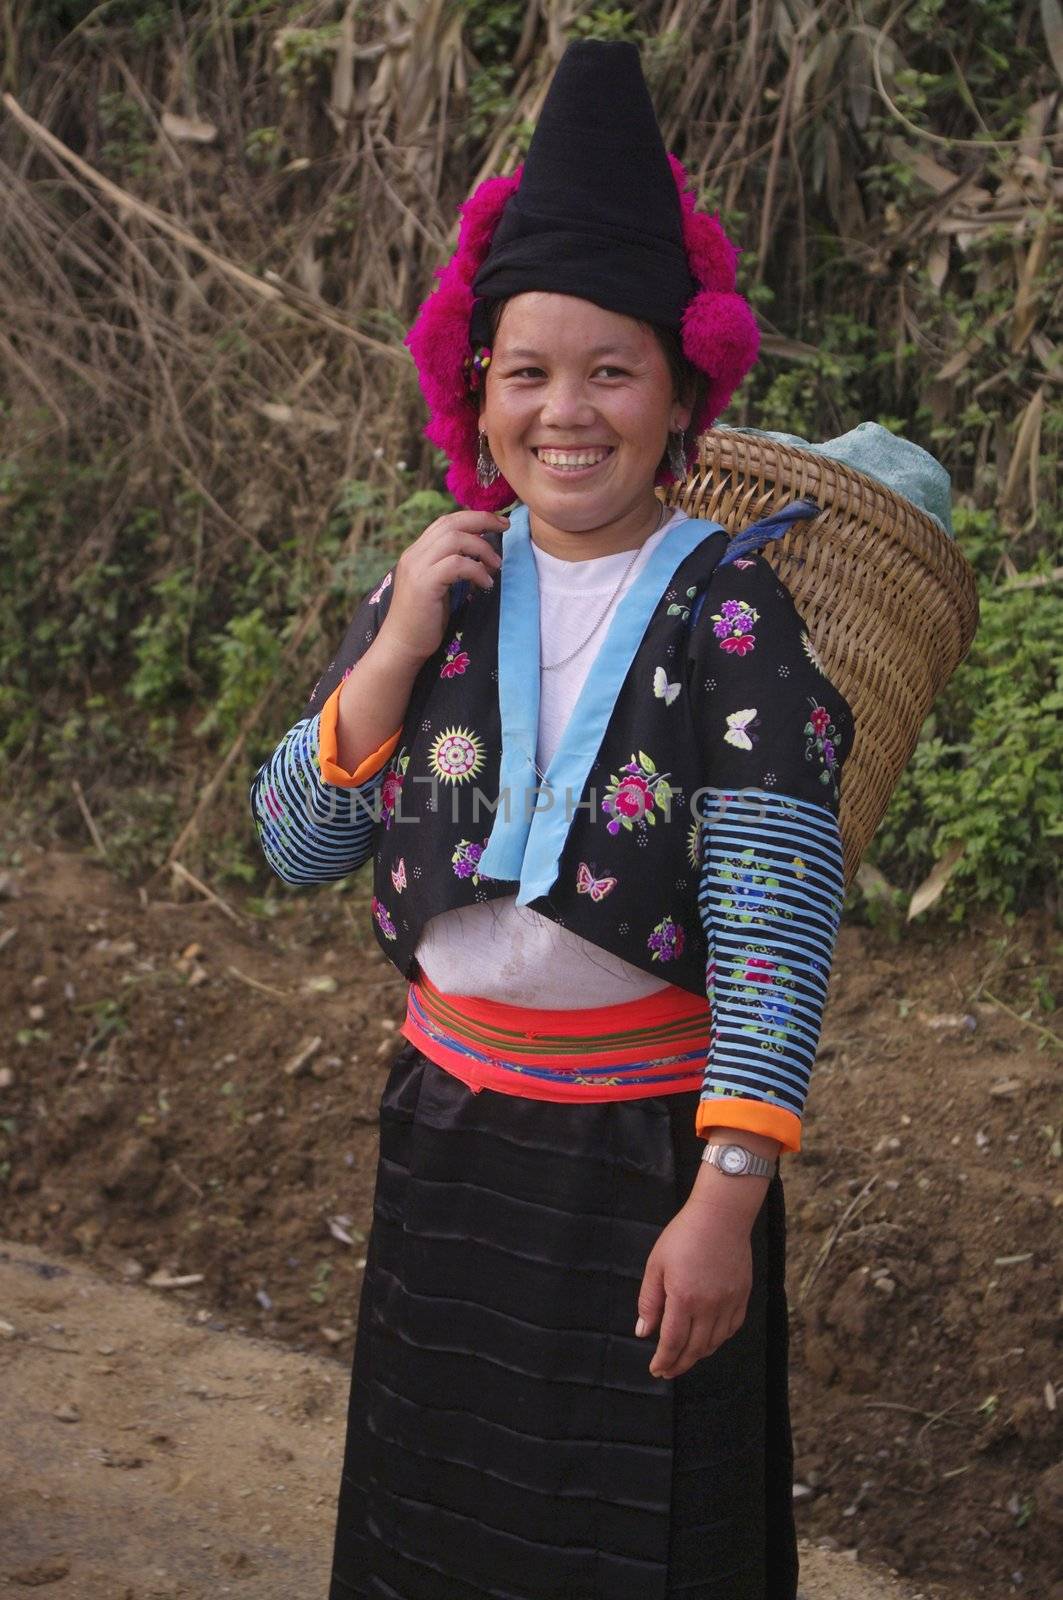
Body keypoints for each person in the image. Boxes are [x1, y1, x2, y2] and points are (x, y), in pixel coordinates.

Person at [251, 39, 853, 1600]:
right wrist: (387, 656)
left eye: (612, 370)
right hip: (448, 1137)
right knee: (433, 1518)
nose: (565, 411)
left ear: (681, 388)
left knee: (636, 1538)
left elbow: (779, 934)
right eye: (528, 372)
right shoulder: (439, 585)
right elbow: (296, 844)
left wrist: (728, 1198)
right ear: (477, 387)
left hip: (646, 1162)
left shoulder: (735, 614)